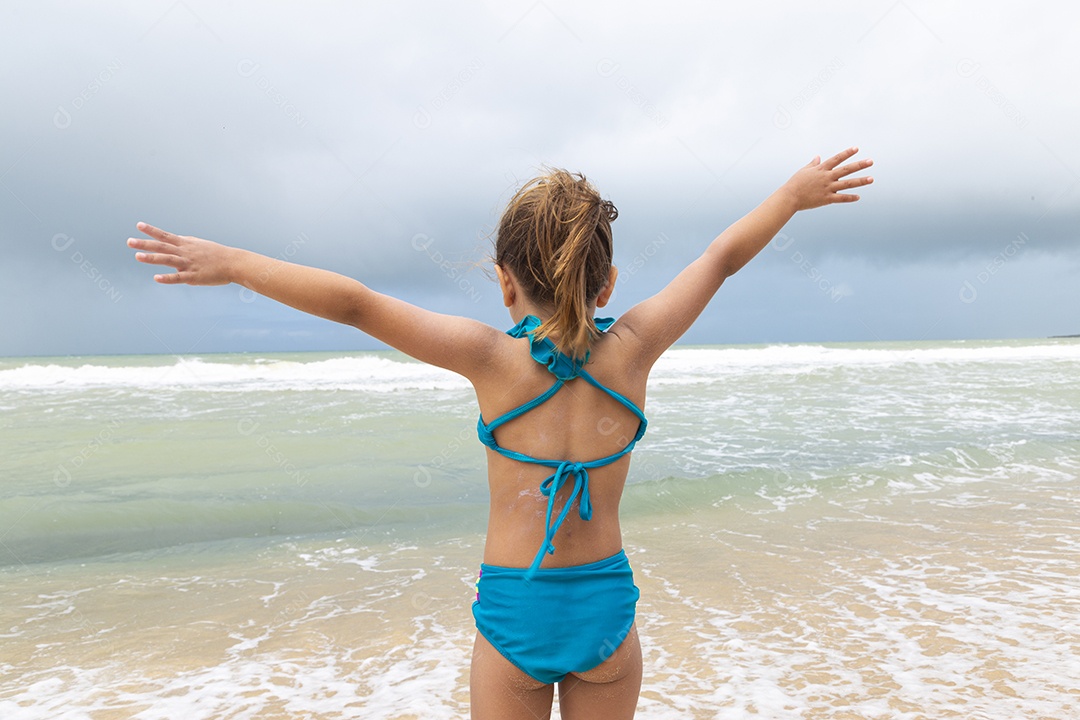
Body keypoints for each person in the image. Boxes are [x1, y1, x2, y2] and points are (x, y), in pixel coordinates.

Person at [128, 147, 873, 719]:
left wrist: (233, 264)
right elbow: (720, 259)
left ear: (504, 280)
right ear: (606, 284)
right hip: (607, 611)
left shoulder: (488, 358)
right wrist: (791, 196)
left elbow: (355, 304)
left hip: (516, 611)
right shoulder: (637, 345)